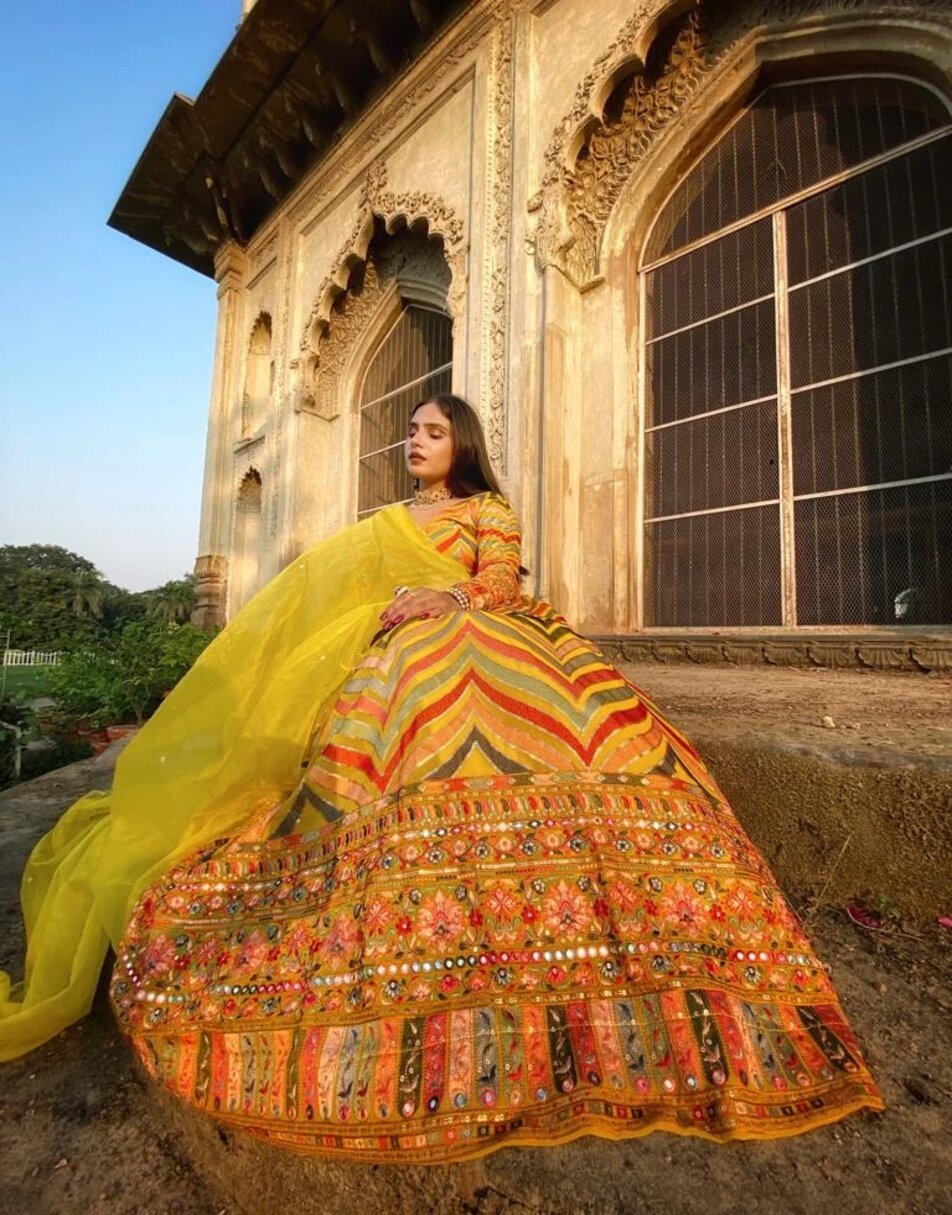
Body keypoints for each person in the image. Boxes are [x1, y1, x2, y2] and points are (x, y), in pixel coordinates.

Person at [2, 394, 881, 1162]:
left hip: (473, 631)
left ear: (461, 441)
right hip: (381, 643)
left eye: (429, 430)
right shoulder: (386, 521)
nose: (413, 442)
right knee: (393, 690)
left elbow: (500, 582)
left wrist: (446, 599)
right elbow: (328, 595)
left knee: (504, 696)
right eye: (410, 431)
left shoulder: (486, 510)